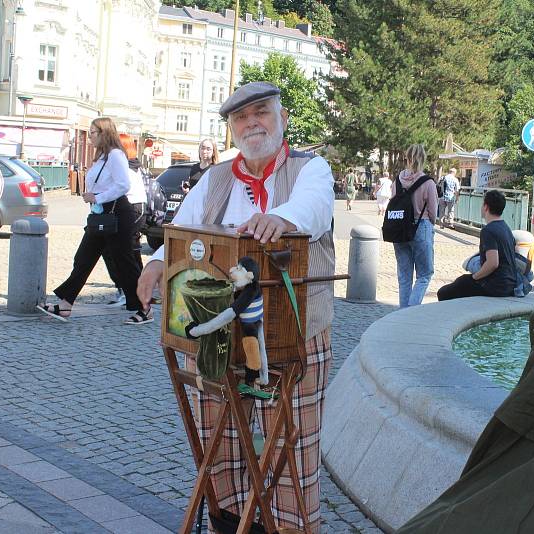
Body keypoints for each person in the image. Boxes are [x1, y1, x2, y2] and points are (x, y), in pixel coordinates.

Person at [136, 82, 335, 533]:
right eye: (241, 118)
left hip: (292, 334)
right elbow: (183, 230)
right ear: (231, 129)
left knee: (291, 440)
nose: (252, 124)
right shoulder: (217, 177)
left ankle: (287, 526)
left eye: (261, 112)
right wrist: (154, 263)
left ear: (281, 118)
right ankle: (229, 520)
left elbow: (315, 208)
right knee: (221, 439)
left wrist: (282, 219)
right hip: (220, 337)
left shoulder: (311, 168)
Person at [37, 117, 152, 324]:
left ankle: (144, 308)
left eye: (93, 133)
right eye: (90, 133)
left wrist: (97, 197)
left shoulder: (116, 155)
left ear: (104, 133)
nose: (90, 137)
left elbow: (123, 185)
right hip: (101, 214)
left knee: (124, 263)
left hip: (117, 213)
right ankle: (65, 304)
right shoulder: (102, 157)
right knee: (83, 259)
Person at [437, 190, 517, 300]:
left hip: (495, 285)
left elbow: (493, 263)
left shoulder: (488, 230)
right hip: (510, 282)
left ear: (486, 207)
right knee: (462, 281)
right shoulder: (506, 227)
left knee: (444, 293)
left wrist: (475, 277)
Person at [103, 134, 148, 308]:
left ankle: (132, 290)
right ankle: (135, 290)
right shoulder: (128, 164)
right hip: (131, 208)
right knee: (127, 252)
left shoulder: (125, 165)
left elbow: (120, 188)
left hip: (132, 207)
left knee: (121, 251)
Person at [392, 144, 437, 308]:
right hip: (421, 227)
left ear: (407, 158)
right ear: (423, 159)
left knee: (404, 277)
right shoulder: (428, 183)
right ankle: (411, 311)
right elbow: (433, 213)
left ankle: (402, 313)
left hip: (399, 230)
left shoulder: (396, 181)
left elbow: (393, 204)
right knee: (424, 274)